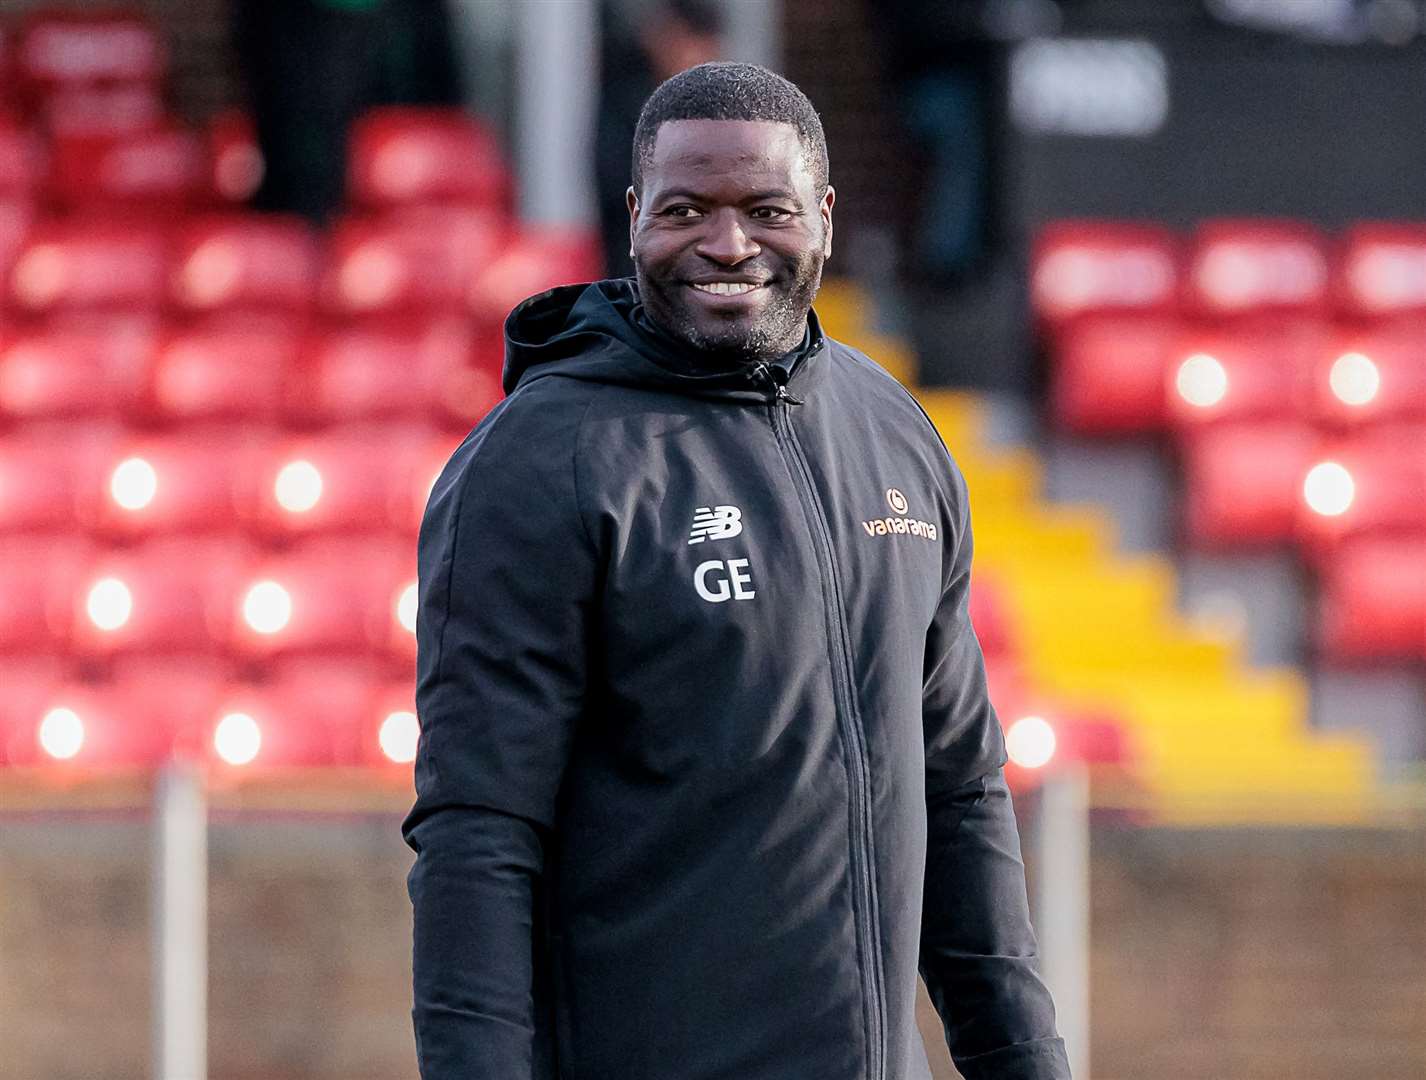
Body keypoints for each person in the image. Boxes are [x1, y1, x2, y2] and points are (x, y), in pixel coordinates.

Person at [402, 61, 1072, 1080]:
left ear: (826, 217)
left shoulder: (895, 433)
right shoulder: (539, 461)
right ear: (632, 218)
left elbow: (960, 790)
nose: (727, 245)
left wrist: (1024, 1063)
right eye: (685, 210)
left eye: (766, 208)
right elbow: (478, 833)